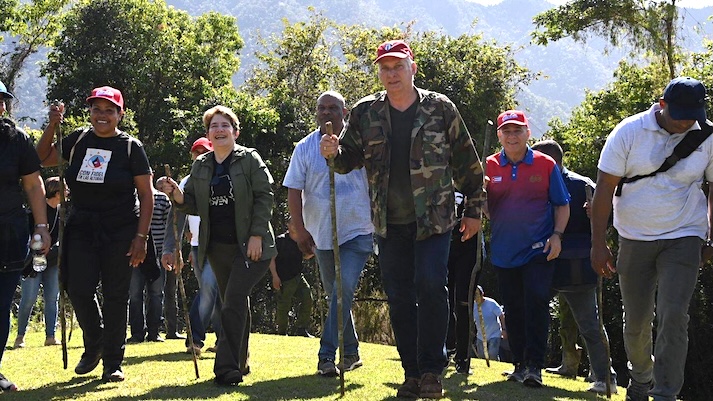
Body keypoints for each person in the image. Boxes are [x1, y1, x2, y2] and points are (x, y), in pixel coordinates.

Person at [320, 40, 485, 399]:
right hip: (388, 223)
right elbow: (347, 160)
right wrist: (332, 153)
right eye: (385, 68)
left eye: (398, 66)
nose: (391, 74)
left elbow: (468, 162)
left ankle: (431, 370)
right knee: (398, 296)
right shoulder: (365, 112)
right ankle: (411, 373)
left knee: (430, 286)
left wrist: (474, 211)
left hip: (435, 220)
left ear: (412, 67)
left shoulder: (440, 108)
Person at [591, 77, 713, 401]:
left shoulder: (708, 135)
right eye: (680, 115)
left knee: (674, 314)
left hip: (685, 234)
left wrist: (710, 238)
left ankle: (665, 394)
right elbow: (604, 188)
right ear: (662, 105)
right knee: (637, 321)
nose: (687, 122)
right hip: (634, 236)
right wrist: (598, 243)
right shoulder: (629, 132)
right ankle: (641, 379)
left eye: (694, 115)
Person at [36, 86, 154, 382]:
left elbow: (146, 195)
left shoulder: (130, 147)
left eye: (109, 110)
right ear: (90, 112)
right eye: (96, 109)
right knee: (77, 288)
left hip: (121, 229)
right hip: (82, 227)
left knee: (116, 295)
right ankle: (95, 342)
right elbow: (42, 158)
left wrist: (141, 239)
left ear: (120, 114)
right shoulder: (76, 139)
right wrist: (53, 125)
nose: (102, 116)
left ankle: (112, 362)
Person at [158, 105, 276, 386]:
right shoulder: (201, 165)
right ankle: (241, 361)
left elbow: (265, 196)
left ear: (235, 131)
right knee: (235, 302)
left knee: (232, 301)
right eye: (213, 126)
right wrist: (175, 193)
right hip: (216, 248)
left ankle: (225, 369)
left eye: (225, 125)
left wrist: (258, 234)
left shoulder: (250, 159)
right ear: (208, 134)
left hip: (250, 246)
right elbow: (192, 204)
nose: (219, 130)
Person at [284, 90, 373, 378]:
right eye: (322, 108)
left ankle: (326, 355)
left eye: (333, 108)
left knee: (342, 290)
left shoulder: (357, 144)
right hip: (321, 233)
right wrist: (299, 230)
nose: (326, 113)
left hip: (358, 231)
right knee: (338, 294)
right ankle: (351, 352)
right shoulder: (305, 147)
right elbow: (294, 190)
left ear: (344, 112)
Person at [485, 110, 570, 388]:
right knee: (513, 308)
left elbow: (562, 204)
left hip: (538, 249)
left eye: (517, 130)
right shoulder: (489, 166)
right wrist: (481, 200)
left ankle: (535, 365)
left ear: (527, 133)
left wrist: (557, 235)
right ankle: (519, 364)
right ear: (499, 135)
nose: (512, 136)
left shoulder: (546, 164)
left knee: (536, 302)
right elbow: (485, 208)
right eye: (506, 131)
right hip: (504, 251)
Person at [531, 139, 617, 394]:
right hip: (540, 260)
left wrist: (599, 214)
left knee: (589, 322)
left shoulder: (583, 185)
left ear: (552, 160)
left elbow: (607, 220)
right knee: (531, 313)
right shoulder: (534, 181)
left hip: (575, 262)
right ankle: (527, 366)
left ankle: (604, 376)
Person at [0, 80, 51, 392]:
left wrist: (42, 227)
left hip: (9, 232)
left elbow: (34, 185)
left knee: (1, 303)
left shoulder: (16, 140)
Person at [162, 137, 221, 355]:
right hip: (197, 246)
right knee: (211, 292)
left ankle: (195, 338)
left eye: (204, 152)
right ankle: (222, 339)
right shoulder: (186, 182)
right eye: (196, 153)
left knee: (210, 290)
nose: (199, 156)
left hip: (220, 244)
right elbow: (176, 215)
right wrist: (172, 247)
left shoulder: (221, 177)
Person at [14, 176, 65, 349]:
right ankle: (20, 336)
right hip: (33, 261)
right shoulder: (36, 210)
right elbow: (27, 235)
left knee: (52, 298)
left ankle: (50, 336)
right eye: (65, 190)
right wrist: (38, 247)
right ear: (57, 192)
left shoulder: (62, 211)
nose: (68, 193)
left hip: (52, 261)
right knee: (28, 298)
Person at [128, 181, 171, 343]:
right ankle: (137, 333)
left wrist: (170, 250)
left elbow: (169, 225)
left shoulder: (162, 199)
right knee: (135, 295)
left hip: (159, 254)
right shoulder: (131, 198)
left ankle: (154, 332)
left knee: (156, 294)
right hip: (136, 254)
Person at [445, 191, 480, 375]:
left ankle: (463, 357)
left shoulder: (474, 180)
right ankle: (446, 348)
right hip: (444, 245)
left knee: (463, 303)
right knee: (443, 299)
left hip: (470, 249)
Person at [269, 218, 314, 337]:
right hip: (284, 278)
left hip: (298, 276)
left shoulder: (301, 240)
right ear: (287, 225)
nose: (294, 225)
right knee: (284, 304)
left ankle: (301, 328)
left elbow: (305, 256)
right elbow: (271, 259)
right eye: (292, 223)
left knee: (307, 297)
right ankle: (282, 332)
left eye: (296, 223)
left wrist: (313, 251)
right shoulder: (281, 240)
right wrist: (275, 277)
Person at [472, 285, 505, 362]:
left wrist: (504, 329)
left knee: (492, 354)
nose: (476, 298)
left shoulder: (491, 303)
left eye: (477, 295)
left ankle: (496, 368)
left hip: (494, 333)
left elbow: (501, 315)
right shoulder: (473, 306)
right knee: (482, 357)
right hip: (480, 335)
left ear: (482, 294)